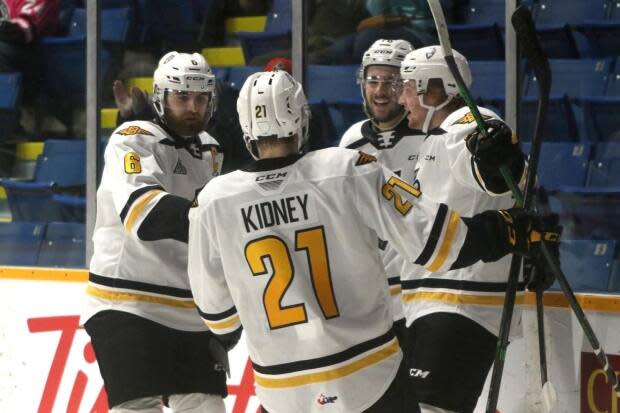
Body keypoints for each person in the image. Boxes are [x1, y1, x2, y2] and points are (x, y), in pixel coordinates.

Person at [186, 70, 561, 413]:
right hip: (365, 377)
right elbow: (439, 242)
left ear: (246, 126)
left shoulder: (212, 201)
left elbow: (220, 319)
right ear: (301, 118)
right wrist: (509, 229)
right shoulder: (347, 168)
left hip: (280, 391)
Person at [393, 45, 557, 413]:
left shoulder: (470, 123)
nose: (401, 97)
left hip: (459, 304)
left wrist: (499, 157)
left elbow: (497, 175)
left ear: (436, 90)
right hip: (432, 304)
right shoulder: (438, 134)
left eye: (408, 86)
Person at [83, 52, 232, 413]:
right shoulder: (130, 138)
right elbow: (146, 217)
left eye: (201, 98)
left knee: (207, 407)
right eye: (181, 97)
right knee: (137, 408)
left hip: (189, 309)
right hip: (127, 304)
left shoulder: (211, 148)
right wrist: (226, 223)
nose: (193, 107)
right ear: (161, 98)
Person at [339, 38, 422, 353]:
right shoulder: (351, 141)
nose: (381, 90)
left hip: (418, 297)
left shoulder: (432, 138)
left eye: (392, 81)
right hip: (368, 300)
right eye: (373, 80)